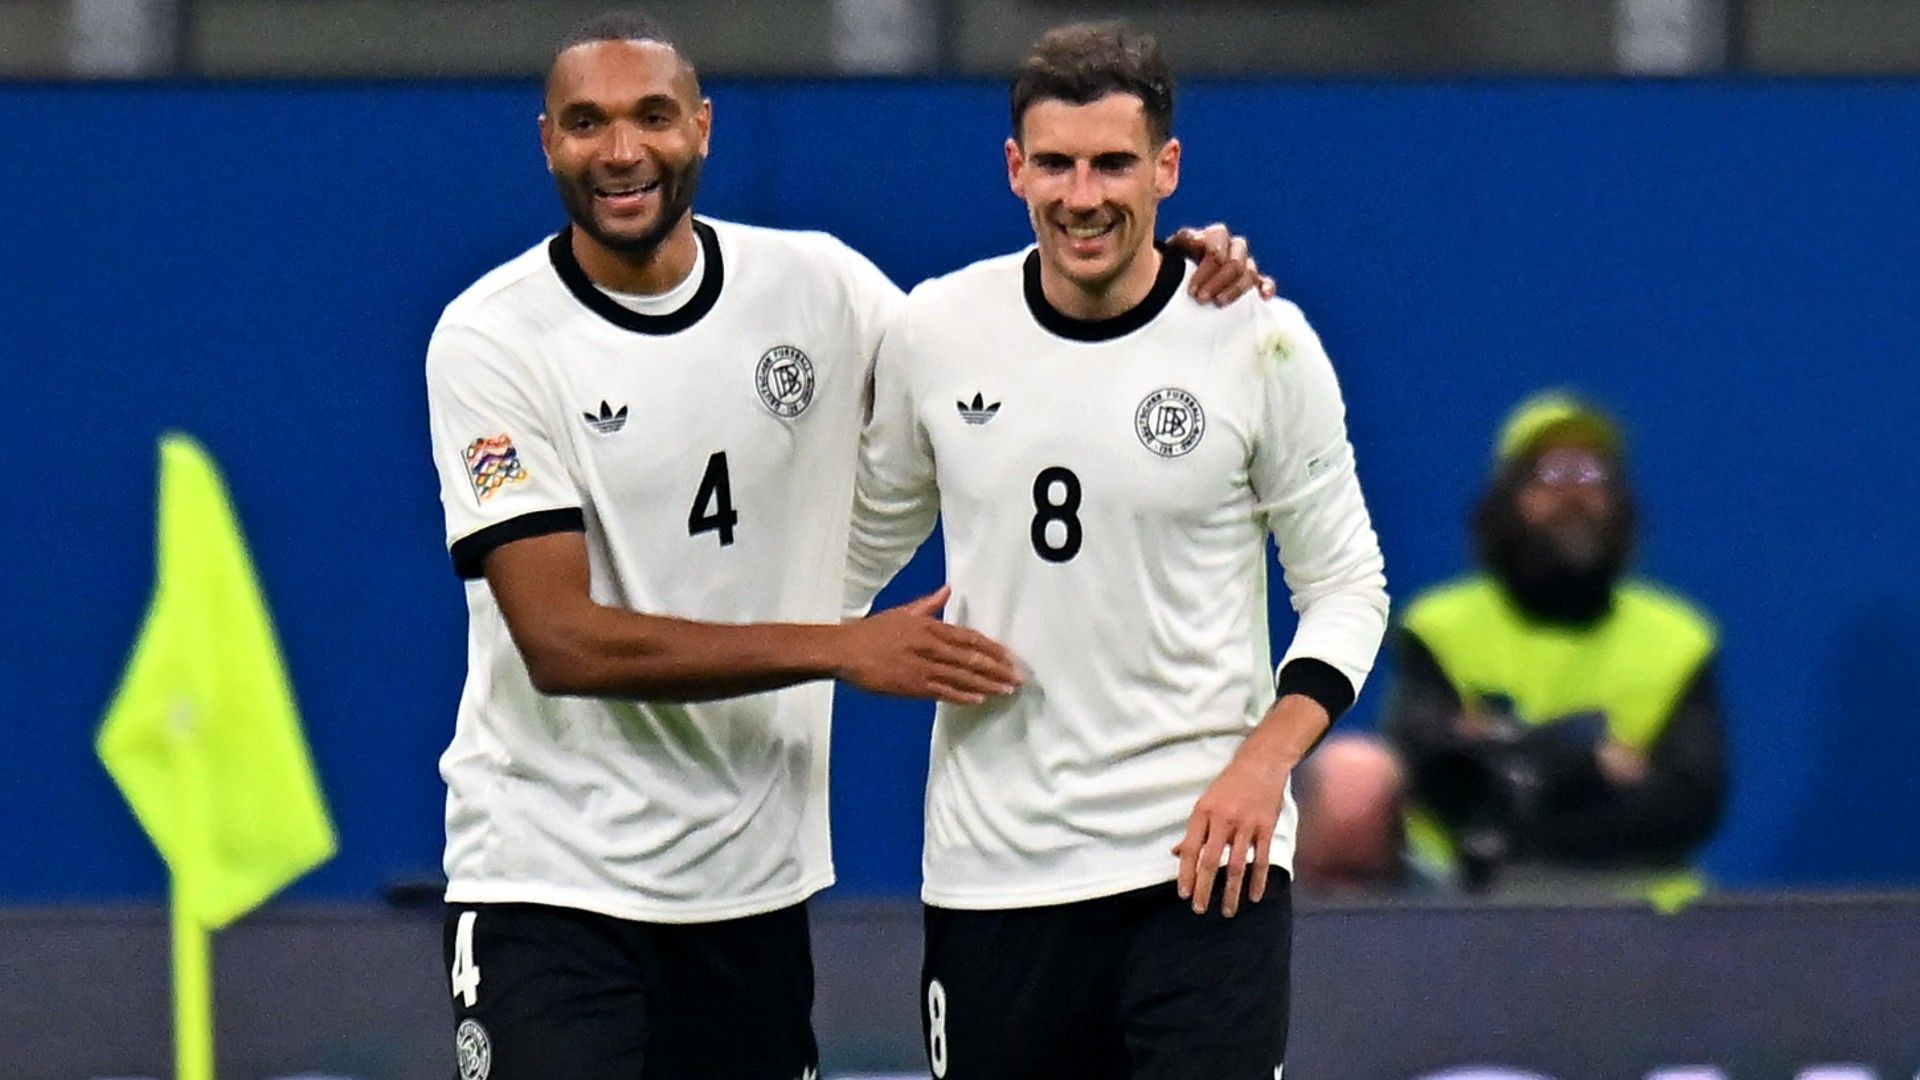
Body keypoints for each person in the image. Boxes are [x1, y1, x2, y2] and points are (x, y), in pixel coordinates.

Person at [423, 11, 1276, 1079]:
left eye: (652, 117)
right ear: (547, 140)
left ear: (703, 128)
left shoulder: (819, 288)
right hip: (546, 877)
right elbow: (560, 641)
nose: (623, 151)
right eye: (587, 124)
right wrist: (841, 647)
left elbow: (1018, 333)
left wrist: (1175, 273)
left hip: (754, 883)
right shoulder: (492, 338)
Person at [845, 23, 1389, 1079]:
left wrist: (1263, 765)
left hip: (1204, 863)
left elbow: (1346, 586)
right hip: (997, 875)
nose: (1082, 195)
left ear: (1168, 169)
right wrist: (831, 645)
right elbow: (850, 553)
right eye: (1054, 163)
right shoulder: (937, 331)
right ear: (1014, 169)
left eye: (1113, 164)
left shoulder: (1258, 340)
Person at [1294, 392, 1728, 897]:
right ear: (1507, 498)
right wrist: (1592, 763)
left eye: (1592, 475)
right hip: (1463, 895)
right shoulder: (1441, 626)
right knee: (1353, 775)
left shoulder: (1680, 638)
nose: (1574, 495)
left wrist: (1504, 755)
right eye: (1550, 475)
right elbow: (1434, 772)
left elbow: (1688, 808)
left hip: (1635, 897)